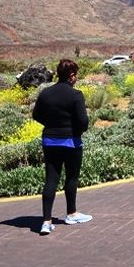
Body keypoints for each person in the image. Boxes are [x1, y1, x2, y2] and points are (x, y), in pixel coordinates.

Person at [32, 59, 92, 235]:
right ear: (72, 75)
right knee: (71, 177)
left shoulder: (45, 93)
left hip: (50, 141)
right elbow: (83, 122)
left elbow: (36, 115)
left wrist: (51, 124)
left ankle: (46, 221)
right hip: (71, 142)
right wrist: (75, 131)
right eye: (76, 75)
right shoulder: (76, 95)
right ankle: (71, 213)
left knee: (51, 179)